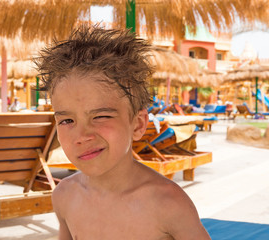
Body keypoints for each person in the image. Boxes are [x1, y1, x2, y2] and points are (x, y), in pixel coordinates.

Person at [34, 26, 211, 239]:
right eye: (67, 120)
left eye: (100, 116)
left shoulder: (168, 203)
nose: (82, 135)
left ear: (137, 124)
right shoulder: (64, 196)